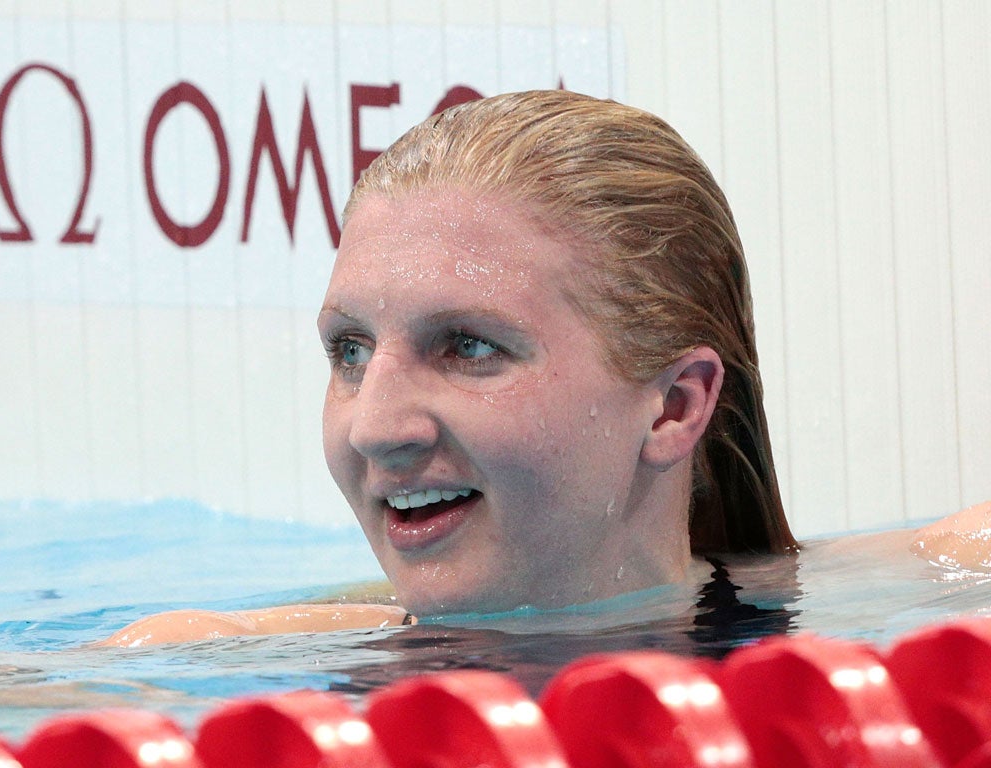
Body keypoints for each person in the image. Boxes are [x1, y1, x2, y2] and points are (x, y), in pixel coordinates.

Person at [99, 90, 985, 647]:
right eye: (350, 351)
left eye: (469, 346)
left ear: (675, 406)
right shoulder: (193, 659)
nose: (374, 425)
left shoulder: (926, 578)